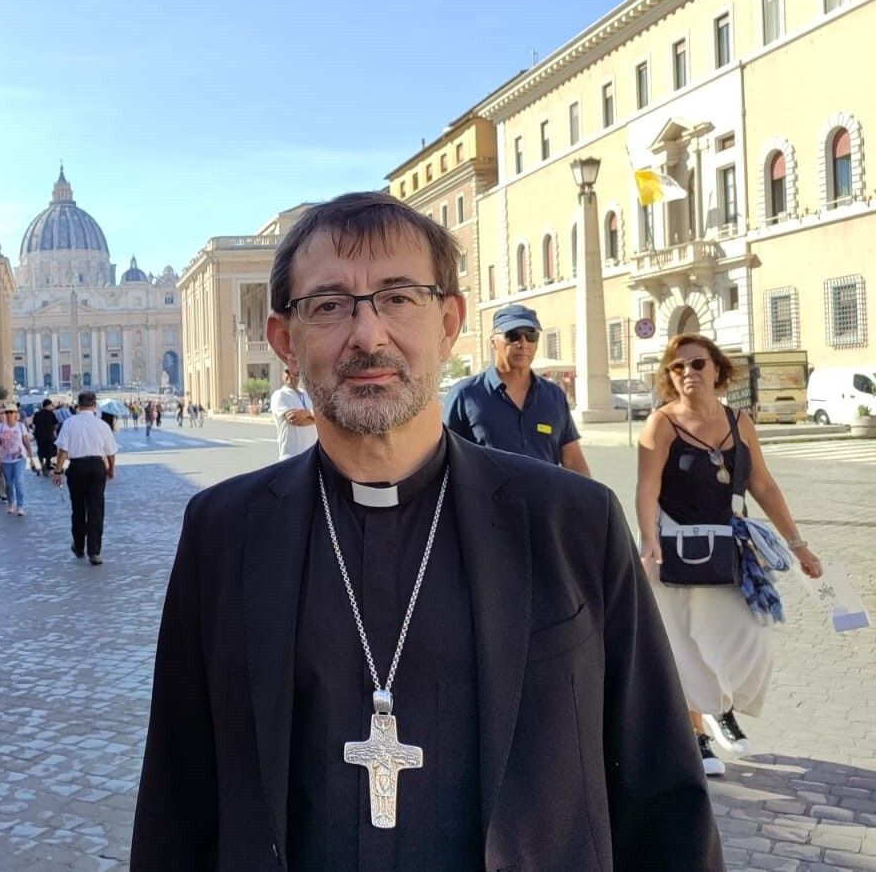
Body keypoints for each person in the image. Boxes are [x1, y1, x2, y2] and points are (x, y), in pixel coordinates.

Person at [132, 192, 721, 870]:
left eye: (398, 298)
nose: (368, 334)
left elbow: (661, 790)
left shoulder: (574, 523)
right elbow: (178, 797)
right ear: (284, 343)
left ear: (449, 324)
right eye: (328, 306)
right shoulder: (223, 533)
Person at [636, 333, 823, 777]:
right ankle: (697, 738)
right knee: (682, 645)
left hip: (730, 548)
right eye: (677, 368)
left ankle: (723, 707)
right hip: (675, 548)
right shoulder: (662, 423)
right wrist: (649, 541)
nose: (688, 374)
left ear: (718, 370)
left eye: (697, 364)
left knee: (749, 638)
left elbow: (763, 485)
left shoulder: (740, 421)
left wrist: (798, 545)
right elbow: (647, 488)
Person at [443, 304, 592, 476]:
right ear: (493, 342)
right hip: (485, 502)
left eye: (531, 335)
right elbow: (442, 458)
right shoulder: (465, 395)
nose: (523, 344)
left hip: (544, 502)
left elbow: (572, 460)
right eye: (513, 336)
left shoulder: (554, 395)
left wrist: (591, 500)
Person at [52, 391, 118, 566]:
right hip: (97, 467)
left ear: (78, 405)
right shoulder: (102, 425)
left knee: (78, 509)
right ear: (94, 405)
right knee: (96, 509)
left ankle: (79, 546)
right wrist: (111, 469)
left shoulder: (69, 423)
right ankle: (94, 551)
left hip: (77, 467)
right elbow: (111, 452)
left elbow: (62, 451)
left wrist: (57, 472)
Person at [0, 406, 34, 516]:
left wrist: (31, 457)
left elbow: (26, 442)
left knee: (19, 481)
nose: (9, 414)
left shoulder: (20, 426)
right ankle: (11, 503)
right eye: (7, 412)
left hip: (19, 458)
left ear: (16, 414)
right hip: (5, 460)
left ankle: (20, 506)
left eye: (11, 412)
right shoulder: (0, 427)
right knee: (9, 483)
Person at [270, 366, 319, 461]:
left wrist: (307, 413)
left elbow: (321, 419)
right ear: (282, 375)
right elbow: (295, 419)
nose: (290, 375)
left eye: (294, 372)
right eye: (287, 372)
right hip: (291, 456)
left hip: (311, 458)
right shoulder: (280, 395)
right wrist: (315, 418)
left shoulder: (307, 395)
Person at [31, 399, 60, 476]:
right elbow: (56, 425)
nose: (52, 407)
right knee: (49, 452)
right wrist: (53, 431)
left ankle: (41, 463)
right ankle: (47, 467)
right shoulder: (51, 414)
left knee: (40, 450)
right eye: (51, 405)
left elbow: (34, 426)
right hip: (49, 436)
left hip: (39, 436)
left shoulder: (37, 414)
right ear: (48, 405)